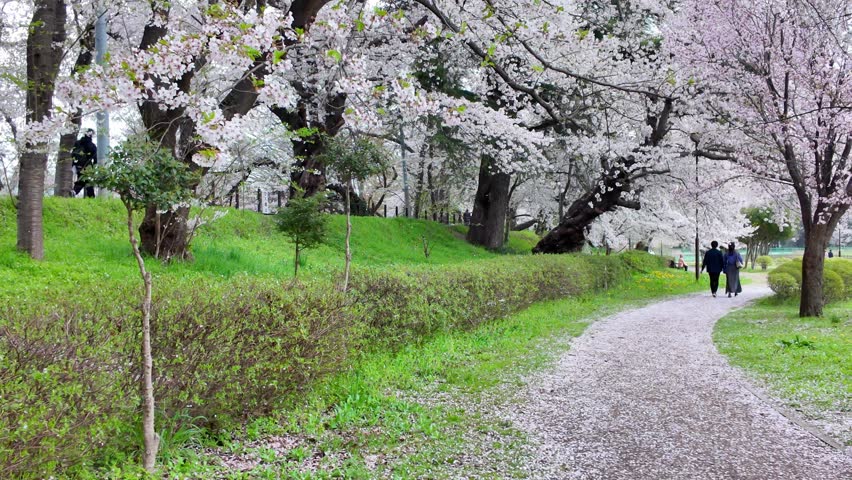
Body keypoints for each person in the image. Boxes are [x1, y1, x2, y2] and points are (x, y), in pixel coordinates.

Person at [72, 129, 97, 198]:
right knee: (87, 181)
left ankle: (74, 191)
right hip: (88, 166)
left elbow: (73, 154)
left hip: (78, 165)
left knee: (82, 180)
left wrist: (73, 165)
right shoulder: (92, 146)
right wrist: (95, 168)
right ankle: (91, 197)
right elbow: (95, 159)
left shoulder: (77, 143)